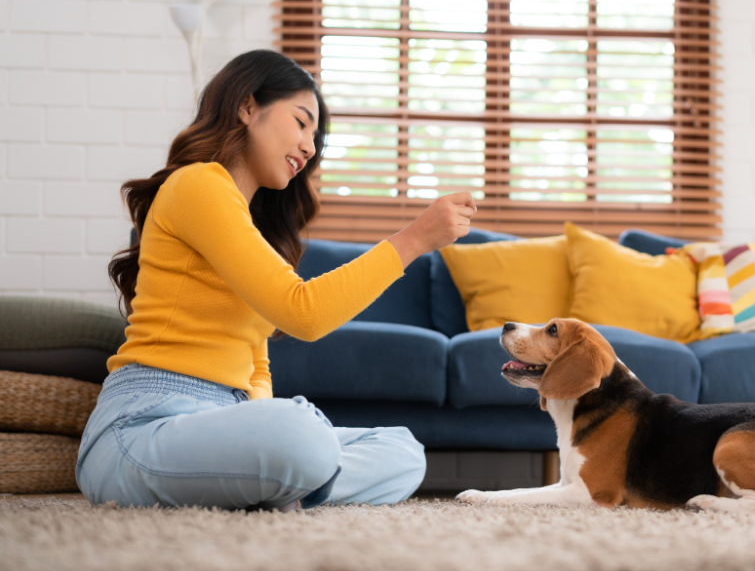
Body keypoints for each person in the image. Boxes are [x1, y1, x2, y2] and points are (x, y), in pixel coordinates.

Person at [76, 49, 476, 512]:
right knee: (302, 435)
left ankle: (267, 484)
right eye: (302, 122)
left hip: (227, 421)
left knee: (403, 452)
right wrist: (415, 239)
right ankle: (283, 477)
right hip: (145, 427)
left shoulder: (247, 226)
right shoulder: (197, 184)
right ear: (248, 107)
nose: (310, 146)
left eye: (315, 135)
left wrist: (262, 420)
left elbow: (256, 366)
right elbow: (302, 313)